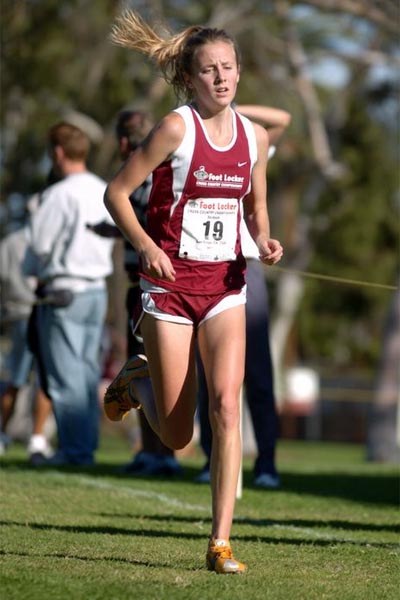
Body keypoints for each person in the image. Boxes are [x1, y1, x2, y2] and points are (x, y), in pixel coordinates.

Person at [103, 10, 283, 574]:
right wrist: (147, 245)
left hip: (227, 286)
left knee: (227, 406)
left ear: (239, 72)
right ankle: (139, 378)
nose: (223, 79)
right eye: (210, 71)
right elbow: (117, 192)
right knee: (179, 434)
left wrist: (266, 240)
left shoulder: (253, 138)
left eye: (229, 68)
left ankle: (220, 542)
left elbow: (255, 210)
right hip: (171, 288)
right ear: (191, 77)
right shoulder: (176, 129)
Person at [195, 104, 291, 489]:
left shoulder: (250, 138)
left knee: (259, 374)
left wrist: (229, 109)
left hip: (245, 270)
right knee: (210, 375)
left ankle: (266, 463)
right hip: (206, 267)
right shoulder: (193, 136)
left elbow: (281, 119)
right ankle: (210, 459)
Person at [90, 109, 182, 476]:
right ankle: (157, 452)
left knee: (144, 372)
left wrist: (117, 230)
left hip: (149, 289)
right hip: (160, 287)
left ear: (125, 142)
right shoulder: (163, 171)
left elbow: (144, 219)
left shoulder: (143, 174)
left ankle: (159, 453)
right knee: (155, 372)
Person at [23, 122, 115, 467]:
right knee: (87, 374)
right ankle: (84, 447)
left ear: (58, 153)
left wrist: (29, 272)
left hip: (64, 290)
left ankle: (74, 451)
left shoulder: (59, 194)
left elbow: (39, 245)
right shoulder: (102, 188)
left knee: (65, 377)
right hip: (96, 291)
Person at [0, 195, 54, 462]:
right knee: (40, 378)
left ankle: (4, 434)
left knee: (17, 378)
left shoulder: (9, 242)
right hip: (36, 309)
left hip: (17, 312)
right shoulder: (44, 239)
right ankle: (37, 437)